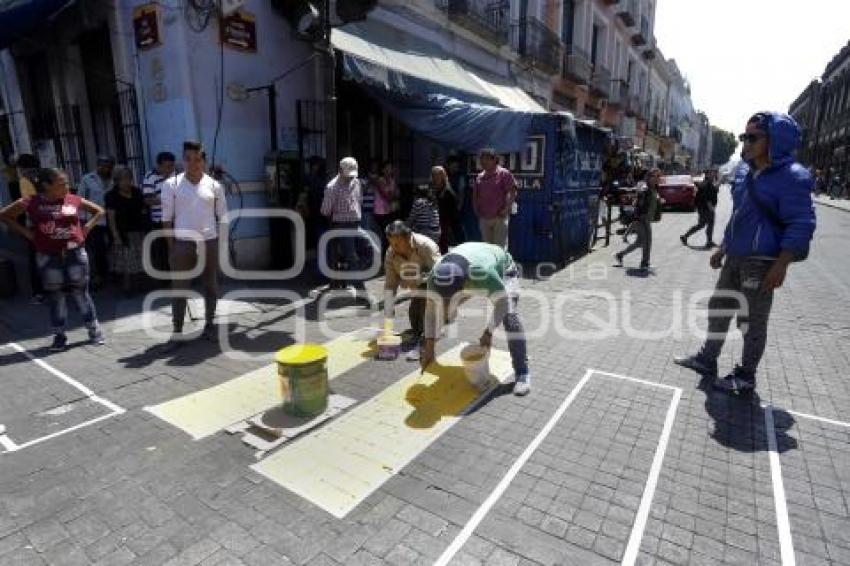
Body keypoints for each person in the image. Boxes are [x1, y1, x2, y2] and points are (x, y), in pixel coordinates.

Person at [675, 112, 816, 395]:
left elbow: (801, 223)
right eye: (744, 136)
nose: (746, 142)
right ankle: (707, 358)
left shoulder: (792, 178)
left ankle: (746, 376)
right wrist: (723, 248)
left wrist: (782, 265)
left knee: (751, 322)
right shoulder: (744, 172)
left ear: (775, 140)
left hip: (762, 263)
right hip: (735, 257)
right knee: (719, 309)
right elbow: (738, 215)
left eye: (753, 137)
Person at [0, 168, 106, 350]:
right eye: (61, 183)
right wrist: (28, 234)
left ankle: (94, 331)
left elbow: (99, 211)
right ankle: (59, 336)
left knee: (81, 293)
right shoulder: (31, 202)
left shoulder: (73, 199)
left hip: (76, 254)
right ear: (46, 185)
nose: (66, 186)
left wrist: (86, 228)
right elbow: (4, 215)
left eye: (66, 182)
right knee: (56, 297)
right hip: (48, 257)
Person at [419, 242, 531, 396]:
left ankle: (522, 372)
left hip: (504, 269)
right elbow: (430, 312)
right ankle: (440, 329)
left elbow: (502, 302)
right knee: (439, 310)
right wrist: (429, 348)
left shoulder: (483, 273)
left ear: (464, 285)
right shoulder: (433, 278)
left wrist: (489, 332)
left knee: (510, 317)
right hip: (469, 260)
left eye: (450, 299)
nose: (445, 304)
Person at [161, 141, 228, 344]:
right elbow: (166, 219)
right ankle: (177, 331)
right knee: (179, 289)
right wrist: (172, 248)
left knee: (211, 286)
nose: (193, 163)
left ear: (204, 161)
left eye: (197, 159)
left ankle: (209, 325)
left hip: (209, 242)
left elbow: (222, 217)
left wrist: (221, 245)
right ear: (183, 160)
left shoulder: (215, 186)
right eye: (188, 159)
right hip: (183, 244)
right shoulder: (171, 185)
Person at [382, 220, 441, 361]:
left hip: (434, 283)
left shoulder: (426, 246)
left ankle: (428, 340)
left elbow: (439, 273)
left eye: (397, 244)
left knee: (425, 305)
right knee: (415, 314)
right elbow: (390, 284)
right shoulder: (391, 253)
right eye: (391, 243)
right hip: (414, 284)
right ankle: (419, 331)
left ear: (408, 238)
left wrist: (418, 279)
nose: (393, 247)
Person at [320, 156, 363, 291]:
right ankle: (359, 289)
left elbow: (359, 199)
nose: (351, 178)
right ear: (340, 170)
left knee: (345, 255)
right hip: (340, 224)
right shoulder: (332, 187)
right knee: (346, 255)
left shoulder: (356, 182)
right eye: (348, 174)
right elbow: (325, 210)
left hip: (353, 222)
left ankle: (340, 283)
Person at [106, 166, 147, 294]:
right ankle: (127, 289)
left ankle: (140, 286)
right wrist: (116, 236)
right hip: (123, 233)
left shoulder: (136, 192)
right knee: (127, 263)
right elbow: (111, 218)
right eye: (122, 179)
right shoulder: (111, 196)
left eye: (128, 179)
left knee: (140, 261)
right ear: (117, 181)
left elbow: (143, 208)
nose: (126, 182)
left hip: (138, 231)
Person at [614, 168, 662, 270]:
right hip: (642, 218)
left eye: (658, 176)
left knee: (640, 242)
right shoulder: (645, 188)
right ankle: (644, 263)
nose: (657, 178)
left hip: (647, 218)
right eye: (655, 176)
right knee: (647, 241)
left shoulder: (653, 188)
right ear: (649, 177)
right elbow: (638, 205)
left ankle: (620, 255)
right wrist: (637, 218)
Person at [78, 155, 115, 289]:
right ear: (97, 165)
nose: (105, 168)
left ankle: (111, 272)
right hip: (94, 220)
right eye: (102, 165)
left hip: (111, 219)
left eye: (108, 166)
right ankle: (98, 275)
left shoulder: (114, 180)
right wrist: (82, 220)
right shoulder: (88, 179)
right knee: (97, 248)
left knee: (111, 246)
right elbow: (80, 200)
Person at [13, 154, 45, 303]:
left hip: (35, 225)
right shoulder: (45, 177)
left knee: (35, 259)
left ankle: (39, 293)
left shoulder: (25, 181)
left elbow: (31, 203)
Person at [472, 149, 517, 249]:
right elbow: (475, 195)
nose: (484, 162)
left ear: (494, 160)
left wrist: (506, 209)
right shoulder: (479, 177)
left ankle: (502, 265)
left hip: (499, 217)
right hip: (484, 217)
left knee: (499, 249)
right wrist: (476, 209)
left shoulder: (504, 174)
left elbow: (512, 192)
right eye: (482, 159)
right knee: (487, 248)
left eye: (487, 159)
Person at [141, 151, 177, 278]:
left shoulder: (177, 176)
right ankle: (166, 279)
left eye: (172, 166)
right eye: (167, 166)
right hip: (159, 221)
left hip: (177, 220)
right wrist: (167, 198)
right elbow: (148, 200)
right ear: (159, 165)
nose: (170, 169)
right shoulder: (150, 177)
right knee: (163, 250)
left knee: (180, 249)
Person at [681, 168, 719, 248]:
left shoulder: (707, 183)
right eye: (712, 173)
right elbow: (706, 197)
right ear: (707, 174)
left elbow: (713, 191)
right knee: (705, 224)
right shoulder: (706, 184)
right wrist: (710, 207)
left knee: (703, 225)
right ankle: (708, 241)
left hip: (703, 208)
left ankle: (686, 236)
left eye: (714, 173)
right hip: (706, 208)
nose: (714, 174)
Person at [432, 165, 462, 253]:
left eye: (437, 175)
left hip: (445, 221)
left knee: (443, 243)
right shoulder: (434, 190)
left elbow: (452, 211)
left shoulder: (447, 192)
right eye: (433, 175)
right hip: (436, 221)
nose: (435, 177)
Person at [373, 161, 396, 255]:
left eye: (390, 168)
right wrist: (391, 194)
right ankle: (382, 256)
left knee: (388, 235)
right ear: (382, 170)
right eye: (387, 168)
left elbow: (395, 194)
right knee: (385, 235)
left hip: (389, 210)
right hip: (380, 212)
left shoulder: (392, 180)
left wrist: (391, 194)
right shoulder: (380, 180)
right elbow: (387, 196)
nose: (389, 170)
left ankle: (386, 256)